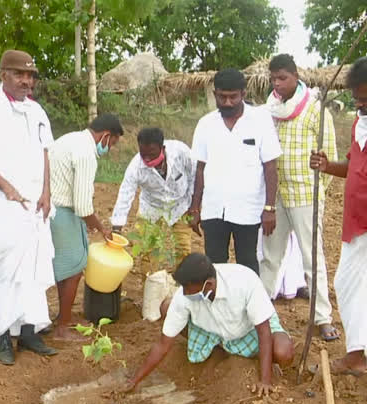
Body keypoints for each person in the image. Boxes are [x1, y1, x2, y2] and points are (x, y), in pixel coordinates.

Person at [309, 56, 367, 401]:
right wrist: (327, 166)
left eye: (366, 98)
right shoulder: (358, 125)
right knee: (348, 288)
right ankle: (358, 356)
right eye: (356, 99)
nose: (360, 105)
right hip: (356, 226)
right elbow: (355, 166)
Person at [0, 49, 58, 364]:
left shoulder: (37, 112)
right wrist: (8, 189)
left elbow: (47, 153)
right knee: (6, 272)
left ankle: (29, 332)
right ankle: (4, 335)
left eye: (30, 75)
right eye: (20, 74)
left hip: (35, 207)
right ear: (3, 74)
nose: (26, 81)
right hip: (3, 207)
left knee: (34, 269)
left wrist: (46, 193)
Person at [124, 253, 294, 396]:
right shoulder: (186, 295)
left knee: (282, 351)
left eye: (189, 289)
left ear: (209, 285)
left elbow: (263, 331)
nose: (184, 293)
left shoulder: (244, 281)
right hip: (213, 329)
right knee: (168, 307)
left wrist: (265, 380)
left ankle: (258, 358)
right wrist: (135, 380)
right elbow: (163, 344)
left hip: (249, 330)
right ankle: (220, 347)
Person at [260, 53, 339, 341]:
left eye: (282, 77)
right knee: (270, 255)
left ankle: (322, 317)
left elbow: (329, 155)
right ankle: (260, 308)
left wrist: (317, 190)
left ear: (295, 76)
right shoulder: (269, 110)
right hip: (276, 195)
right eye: (273, 78)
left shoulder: (315, 110)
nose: (277, 84)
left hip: (305, 193)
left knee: (311, 256)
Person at [188, 69, 281, 275]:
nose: (228, 102)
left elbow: (270, 167)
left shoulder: (261, 120)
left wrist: (270, 208)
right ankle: (218, 306)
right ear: (215, 94)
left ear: (243, 94)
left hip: (248, 210)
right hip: (213, 208)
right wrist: (195, 207)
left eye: (233, 97)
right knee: (214, 265)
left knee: (247, 264)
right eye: (222, 97)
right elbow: (200, 168)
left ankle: (247, 307)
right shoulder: (205, 124)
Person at [49, 113, 124, 341]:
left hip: (51, 209)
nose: (108, 149)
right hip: (62, 212)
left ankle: (66, 316)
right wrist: (102, 229)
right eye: (111, 144)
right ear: (105, 136)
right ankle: (62, 327)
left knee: (65, 267)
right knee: (73, 270)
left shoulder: (69, 139)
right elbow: (82, 206)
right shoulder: (85, 154)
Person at [111, 127, 196, 264]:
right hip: (151, 207)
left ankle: (182, 284)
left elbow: (195, 175)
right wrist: (117, 226)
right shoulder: (135, 167)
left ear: (162, 147)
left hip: (180, 205)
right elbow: (125, 194)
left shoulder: (181, 152)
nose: (147, 159)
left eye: (151, 154)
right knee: (147, 250)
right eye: (143, 154)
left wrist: (194, 206)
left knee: (183, 250)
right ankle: (149, 282)